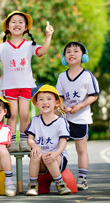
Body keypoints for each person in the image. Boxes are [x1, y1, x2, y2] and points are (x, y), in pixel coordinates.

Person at [0, 11, 54, 152]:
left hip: (26, 85)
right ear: (7, 27)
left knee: (25, 114)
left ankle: (24, 140)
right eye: (13, 22)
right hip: (9, 86)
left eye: (21, 22)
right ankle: (10, 141)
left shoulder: (29, 45)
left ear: (26, 27)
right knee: (12, 113)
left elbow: (42, 51)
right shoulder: (2, 47)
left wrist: (48, 36)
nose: (17, 24)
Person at [56, 42, 99, 190]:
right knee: (59, 147)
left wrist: (79, 106)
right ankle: (57, 175)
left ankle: (82, 178)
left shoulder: (88, 76)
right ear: (64, 57)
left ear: (83, 56)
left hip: (81, 118)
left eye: (75, 51)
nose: (72, 54)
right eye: (68, 51)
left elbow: (94, 96)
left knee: (81, 149)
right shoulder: (62, 76)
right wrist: (60, 105)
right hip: (65, 119)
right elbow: (59, 96)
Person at [25, 84, 71, 196]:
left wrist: (56, 154)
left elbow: (63, 142)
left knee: (48, 157)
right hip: (41, 159)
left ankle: (60, 183)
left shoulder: (61, 121)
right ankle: (33, 184)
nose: (45, 102)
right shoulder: (35, 120)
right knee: (35, 154)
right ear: (36, 104)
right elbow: (30, 139)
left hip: (58, 158)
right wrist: (35, 146)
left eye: (49, 99)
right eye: (41, 99)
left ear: (56, 103)